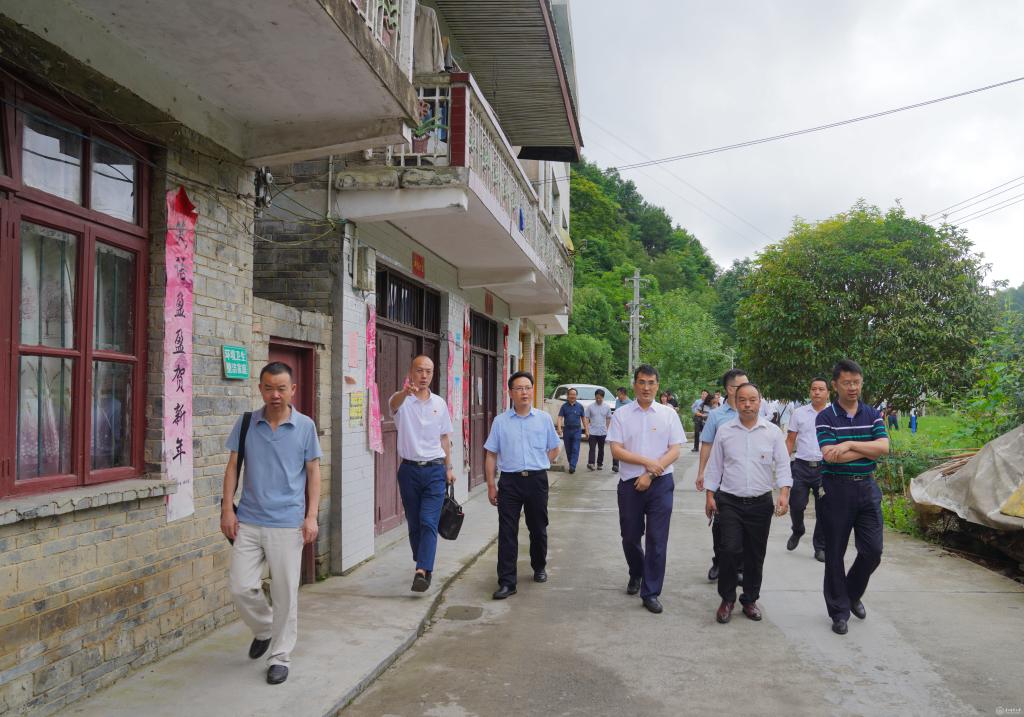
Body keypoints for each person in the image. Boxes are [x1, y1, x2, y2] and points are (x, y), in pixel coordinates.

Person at [222, 362, 322, 685]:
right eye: (269, 388)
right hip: (249, 520)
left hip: (288, 523)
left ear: (292, 390)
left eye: (281, 388)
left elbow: (313, 472)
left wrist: (311, 516)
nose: (275, 394)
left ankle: (279, 656)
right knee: (240, 586)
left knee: (285, 594)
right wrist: (227, 509)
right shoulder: (247, 423)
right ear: (260, 389)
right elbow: (232, 467)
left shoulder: (305, 426)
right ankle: (264, 627)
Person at [704, 383, 791, 623]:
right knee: (729, 550)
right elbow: (715, 466)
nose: (747, 404)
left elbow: (783, 465)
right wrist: (710, 496)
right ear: (735, 402)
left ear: (760, 402)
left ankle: (750, 599)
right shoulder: (725, 431)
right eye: (742, 400)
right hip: (729, 501)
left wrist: (784, 493)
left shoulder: (772, 432)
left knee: (755, 554)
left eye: (752, 400)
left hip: (760, 503)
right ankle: (727, 598)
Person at [816, 358, 890, 636]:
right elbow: (830, 456)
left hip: (867, 489)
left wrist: (847, 444)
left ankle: (851, 593)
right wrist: (867, 449)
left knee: (873, 551)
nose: (852, 387)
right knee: (834, 552)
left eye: (856, 382)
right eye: (847, 383)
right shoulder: (825, 417)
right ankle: (839, 612)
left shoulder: (872, 414)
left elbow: (883, 448)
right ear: (835, 385)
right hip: (836, 490)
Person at [607, 364, 685, 614]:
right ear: (634, 385)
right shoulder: (621, 415)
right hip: (630, 484)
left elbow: (675, 450)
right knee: (630, 536)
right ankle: (637, 571)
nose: (646, 387)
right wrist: (646, 463)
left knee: (657, 539)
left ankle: (650, 592)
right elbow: (616, 450)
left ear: (657, 386)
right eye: (642, 382)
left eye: (651, 383)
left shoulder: (668, 414)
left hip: (660, 484)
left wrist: (651, 473)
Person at [484, 371, 561, 599]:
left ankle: (539, 566)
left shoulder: (543, 419)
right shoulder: (500, 422)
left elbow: (555, 446)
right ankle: (507, 582)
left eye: (527, 388)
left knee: (538, 527)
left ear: (532, 390)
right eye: (519, 388)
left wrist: (542, 463)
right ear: (511, 393)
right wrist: (491, 485)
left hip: (537, 480)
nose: (524, 392)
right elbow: (491, 454)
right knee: (507, 531)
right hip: (510, 482)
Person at [388, 355, 457, 593]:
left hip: (435, 469)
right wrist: (404, 392)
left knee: (428, 520)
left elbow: (444, 438)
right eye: (419, 370)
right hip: (408, 470)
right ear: (411, 372)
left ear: (433, 374)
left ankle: (422, 570)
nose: (424, 375)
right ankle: (423, 562)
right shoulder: (402, 401)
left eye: (428, 371)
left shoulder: (440, 403)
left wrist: (449, 468)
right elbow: (393, 404)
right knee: (415, 522)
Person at [696, 368, 750, 582]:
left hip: (746, 476)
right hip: (721, 479)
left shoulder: (753, 411)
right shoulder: (717, 415)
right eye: (741, 385)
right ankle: (719, 560)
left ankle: (740, 567)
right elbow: (707, 444)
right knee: (719, 524)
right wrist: (702, 472)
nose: (747, 389)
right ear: (730, 389)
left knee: (746, 525)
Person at [786, 377, 830, 562]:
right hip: (801, 466)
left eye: (821, 389)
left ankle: (820, 547)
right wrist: (783, 465)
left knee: (824, 510)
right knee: (796, 504)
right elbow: (790, 440)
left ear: (828, 393)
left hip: (825, 469)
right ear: (810, 391)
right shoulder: (799, 413)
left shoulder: (835, 414)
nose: (817, 392)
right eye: (814, 389)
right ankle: (798, 529)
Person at [556, 388, 586, 474]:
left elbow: (583, 419)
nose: (573, 396)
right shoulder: (564, 406)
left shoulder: (580, 406)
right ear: (568, 396)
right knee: (568, 449)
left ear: (576, 396)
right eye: (571, 394)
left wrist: (587, 430)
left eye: (574, 394)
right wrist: (559, 428)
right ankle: (571, 463)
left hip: (577, 430)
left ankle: (572, 466)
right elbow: (560, 417)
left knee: (575, 448)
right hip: (567, 430)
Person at [585, 388, 612, 470]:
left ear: (603, 397)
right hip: (592, 431)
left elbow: (608, 418)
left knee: (601, 449)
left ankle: (600, 464)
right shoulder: (590, 407)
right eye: (597, 398)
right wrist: (587, 430)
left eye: (600, 398)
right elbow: (586, 418)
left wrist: (607, 430)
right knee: (592, 448)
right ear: (595, 397)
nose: (598, 399)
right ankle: (591, 463)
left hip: (602, 431)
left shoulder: (607, 407)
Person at [612, 387, 631, 473]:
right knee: (616, 445)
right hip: (617, 427)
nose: (617, 396)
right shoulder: (617, 401)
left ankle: (626, 463)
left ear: (623, 394)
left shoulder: (630, 403)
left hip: (626, 428)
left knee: (625, 448)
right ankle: (615, 465)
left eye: (618, 394)